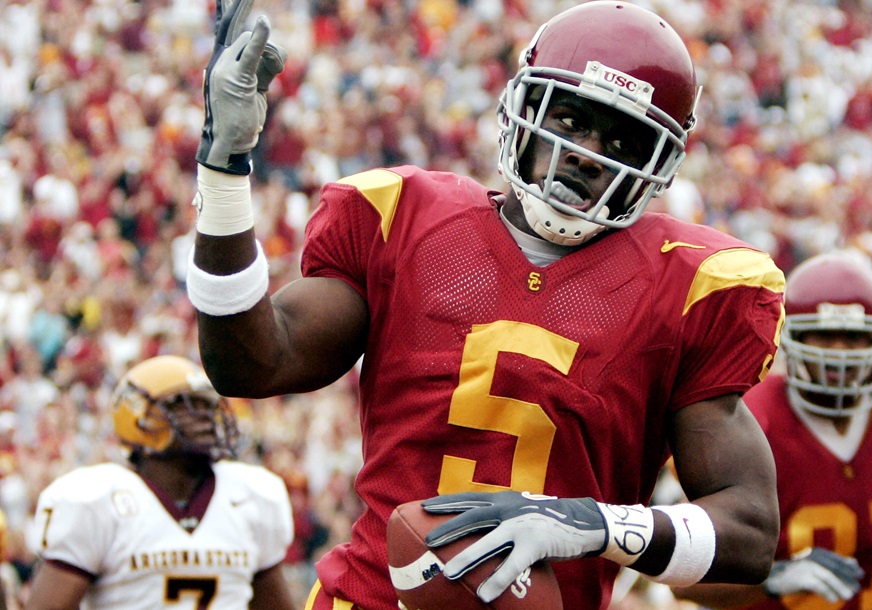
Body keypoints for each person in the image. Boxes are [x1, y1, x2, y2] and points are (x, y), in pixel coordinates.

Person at [185, 1, 787, 608]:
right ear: (523, 109)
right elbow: (252, 363)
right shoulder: (405, 219)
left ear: (656, 165)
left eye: (621, 139)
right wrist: (224, 169)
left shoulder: (687, 288)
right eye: (573, 119)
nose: (585, 151)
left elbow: (750, 530)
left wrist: (593, 524)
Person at [672, 251, 872, 610]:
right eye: (823, 335)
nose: (839, 353)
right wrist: (776, 578)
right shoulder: (748, 420)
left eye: (853, 336)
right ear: (790, 336)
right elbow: (683, 576)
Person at [24, 355, 295, 609]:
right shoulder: (96, 499)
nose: (202, 416)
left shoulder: (250, 493)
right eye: (181, 405)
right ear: (137, 417)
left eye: (206, 405)